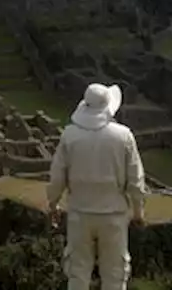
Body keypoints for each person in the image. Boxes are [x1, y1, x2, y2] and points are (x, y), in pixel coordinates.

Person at [46, 82, 147, 290]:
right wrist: (138, 212)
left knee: (77, 273)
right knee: (114, 276)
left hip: (79, 214)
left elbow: (57, 177)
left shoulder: (69, 135)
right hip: (113, 215)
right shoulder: (123, 136)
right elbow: (135, 180)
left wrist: (53, 203)